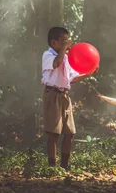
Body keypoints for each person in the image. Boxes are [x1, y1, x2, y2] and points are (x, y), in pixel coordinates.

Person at [41, 27, 95, 169]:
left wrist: (88, 73)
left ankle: (65, 165)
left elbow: (72, 78)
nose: (68, 44)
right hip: (52, 95)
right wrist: (65, 49)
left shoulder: (66, 58)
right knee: (53, 133)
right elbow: (55, 64)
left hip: (64, 95)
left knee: (70, 132)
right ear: (54, 43)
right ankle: (52, 165)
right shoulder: (48, 55)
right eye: (64, 41)